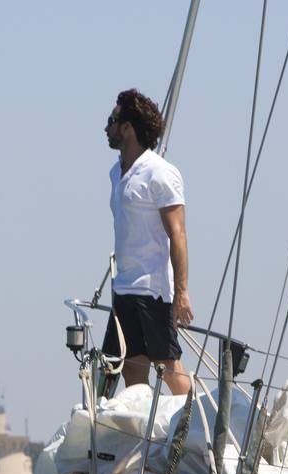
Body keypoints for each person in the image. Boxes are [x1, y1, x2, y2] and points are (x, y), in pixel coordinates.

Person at [100, 88, 192, 395]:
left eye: (111, 120)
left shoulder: (159, 172)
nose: (106, 128)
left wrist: (181, 293)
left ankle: (197, 425)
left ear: (128, 127)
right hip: (123, 287)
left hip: (152, 290)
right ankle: (140, 439)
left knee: (168, 366)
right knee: (130, 370)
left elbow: (177, 234)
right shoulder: (117, 172)